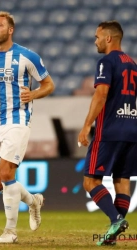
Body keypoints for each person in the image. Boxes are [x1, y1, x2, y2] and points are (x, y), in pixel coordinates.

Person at [0, 11, 55, 243]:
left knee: (8, 173)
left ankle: (10, 232)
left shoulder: (27, 56)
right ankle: (33, 202)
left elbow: (49, 84)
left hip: (18, 119)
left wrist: (34, 94)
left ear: (10, 30)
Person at [78, 20, 137, 246]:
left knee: (90, 181)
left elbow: (101, 95)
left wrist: (86, 126)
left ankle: (115, 220)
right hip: (132, 129)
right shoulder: (133, 64)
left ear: (109, 38)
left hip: (109, 130)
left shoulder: (106, 62)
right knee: (122, 181)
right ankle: (114, 231)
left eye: (97, 36)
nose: (96, 41)